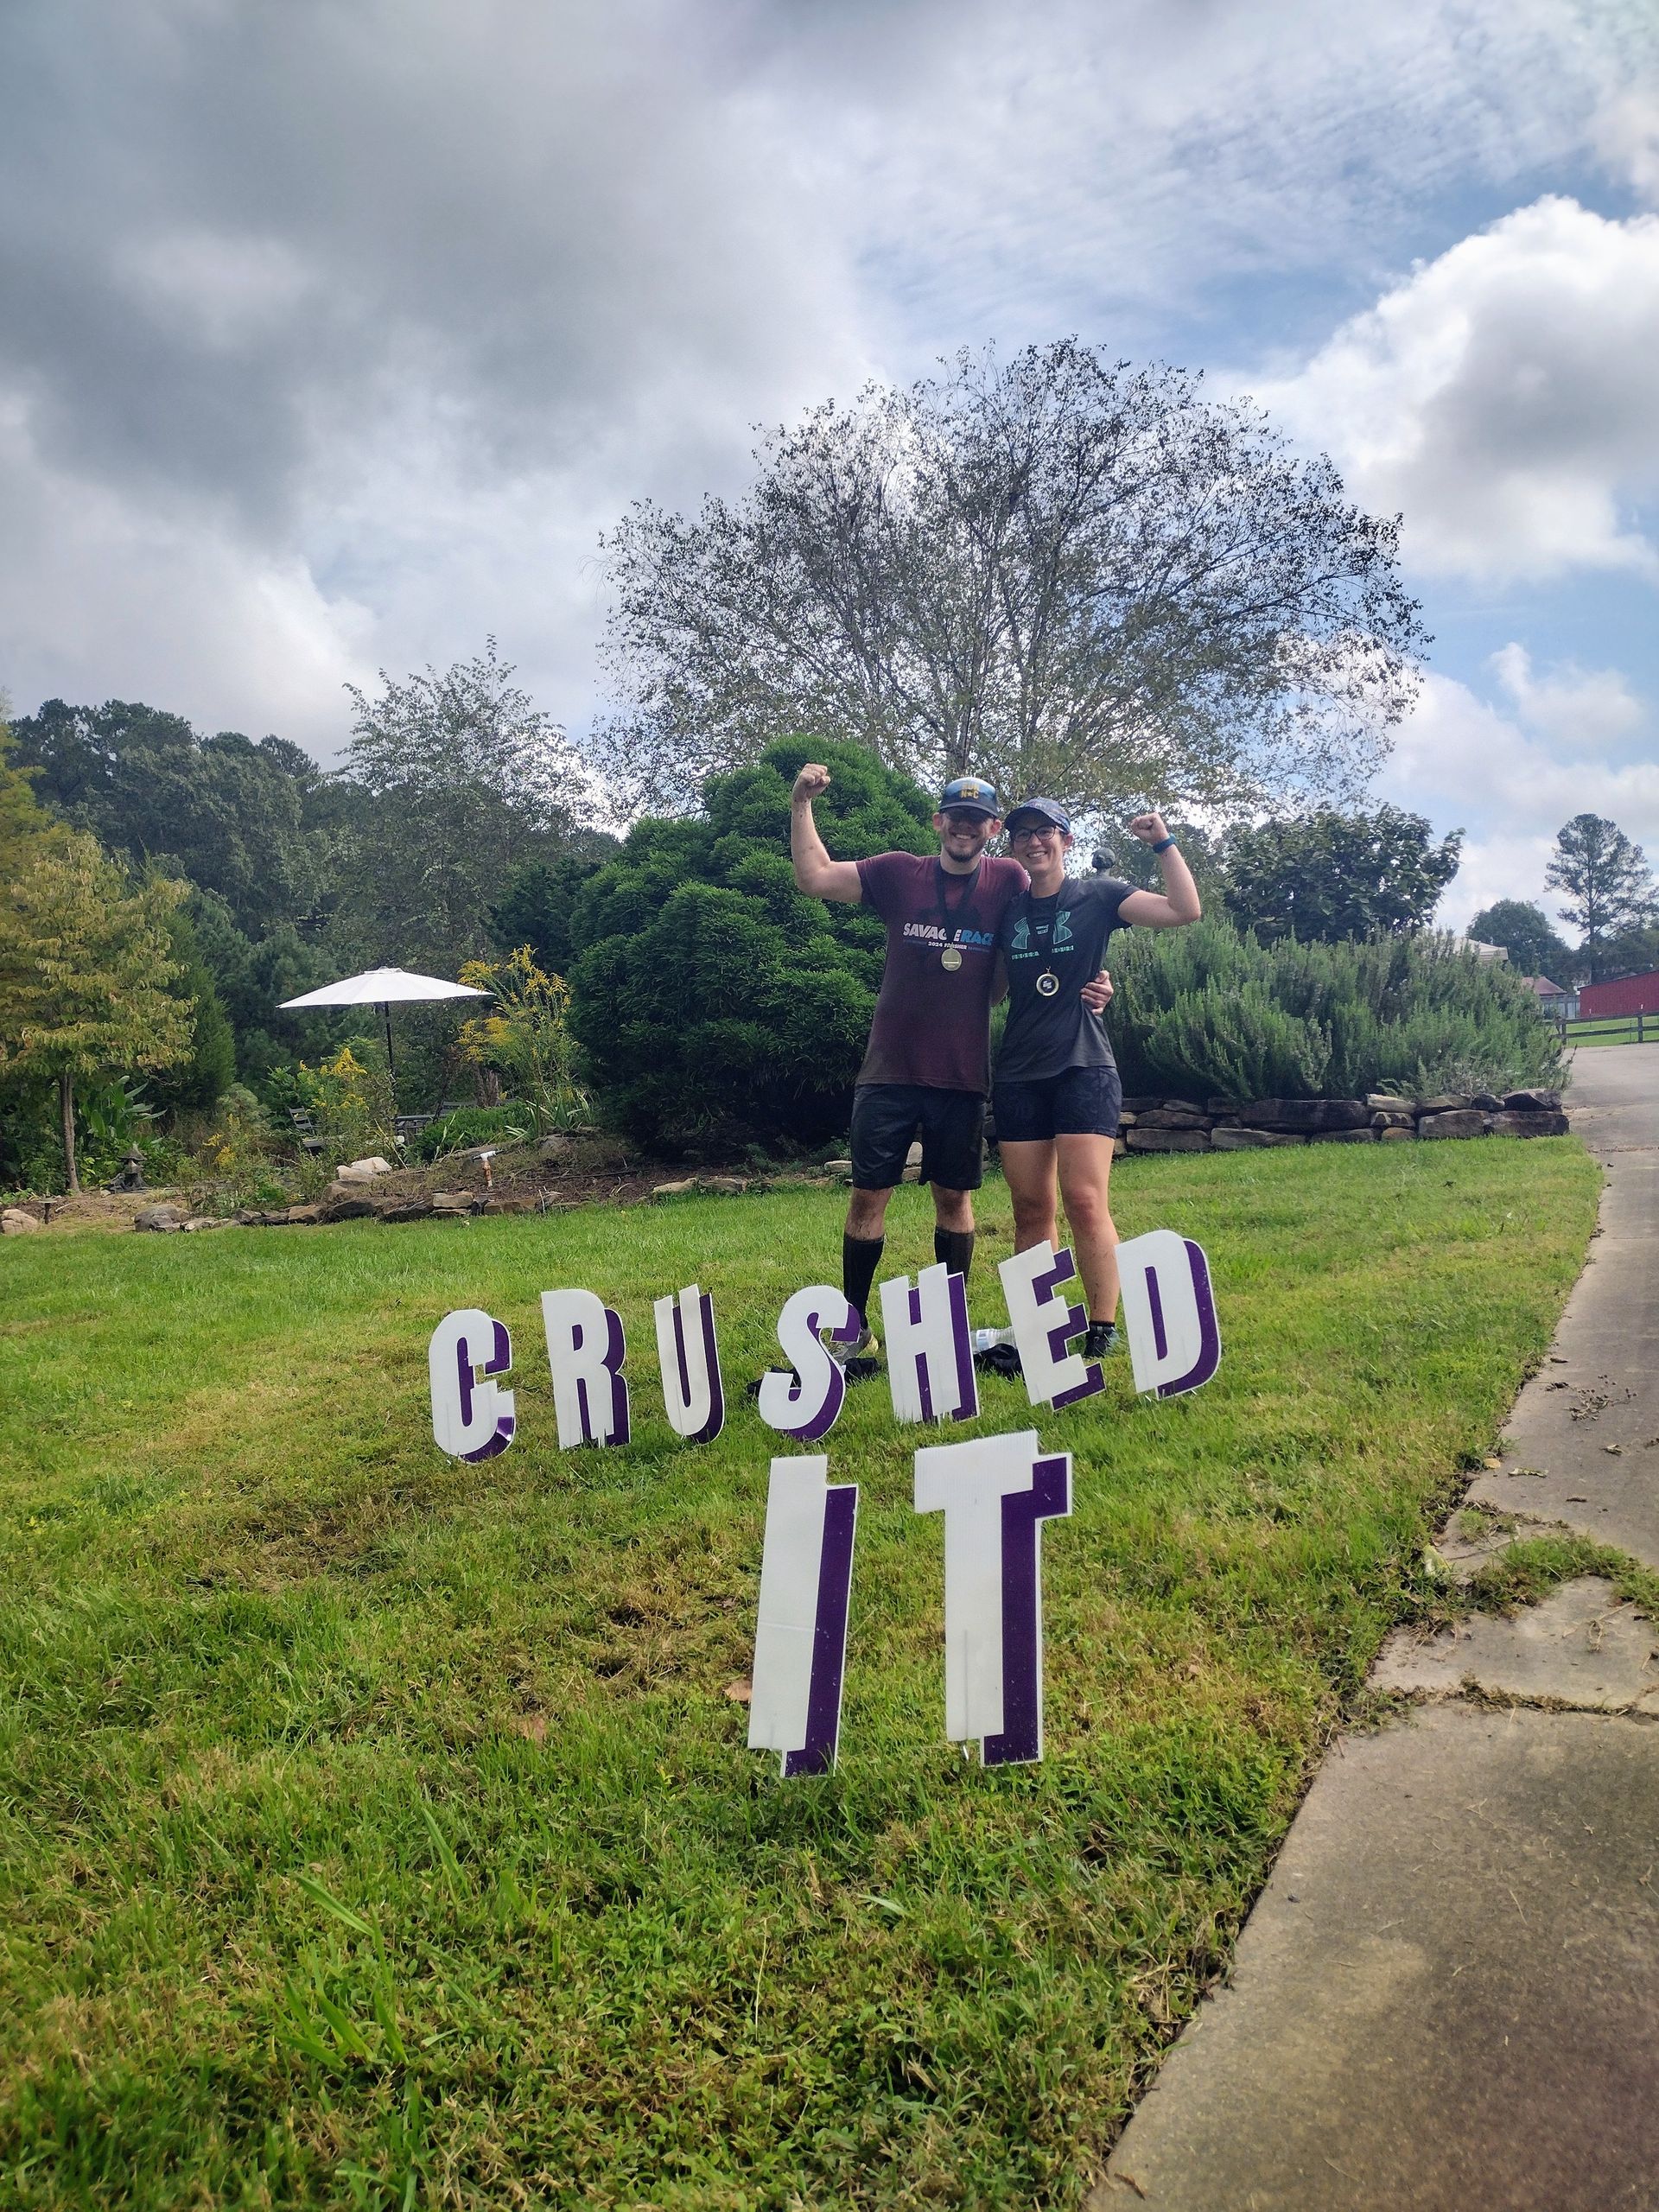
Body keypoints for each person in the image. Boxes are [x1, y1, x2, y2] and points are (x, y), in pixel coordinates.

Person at [791, 763, 1106, 1361]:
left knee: (955, 1201)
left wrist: (1093, 981)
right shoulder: (897, 873)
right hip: (889, 1069)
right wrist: (801, 801)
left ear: (992, 830)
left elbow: (1057, 931)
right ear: (938, 821)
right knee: (867, 1197)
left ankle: (950, 1331)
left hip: (962, 1074)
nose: (965, 827)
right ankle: (853, 1331)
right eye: (956, 817)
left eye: (977, 820)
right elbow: (815, 877)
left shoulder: (1010, 879)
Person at [993, 799, 1201, 1359]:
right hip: (1018, 1073)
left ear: (1066, 839)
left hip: (1083, 1067)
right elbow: (990, 990)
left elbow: (1185, 910)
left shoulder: (1099, 895)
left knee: (1084, 1201)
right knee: (1030, 1210)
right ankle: (1038, 1332)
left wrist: (1163, 842)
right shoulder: (1007, 912)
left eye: (1045, 831)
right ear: (1012, 846)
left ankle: (1102, 1329)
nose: (1033, 841)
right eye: (1022, 834)